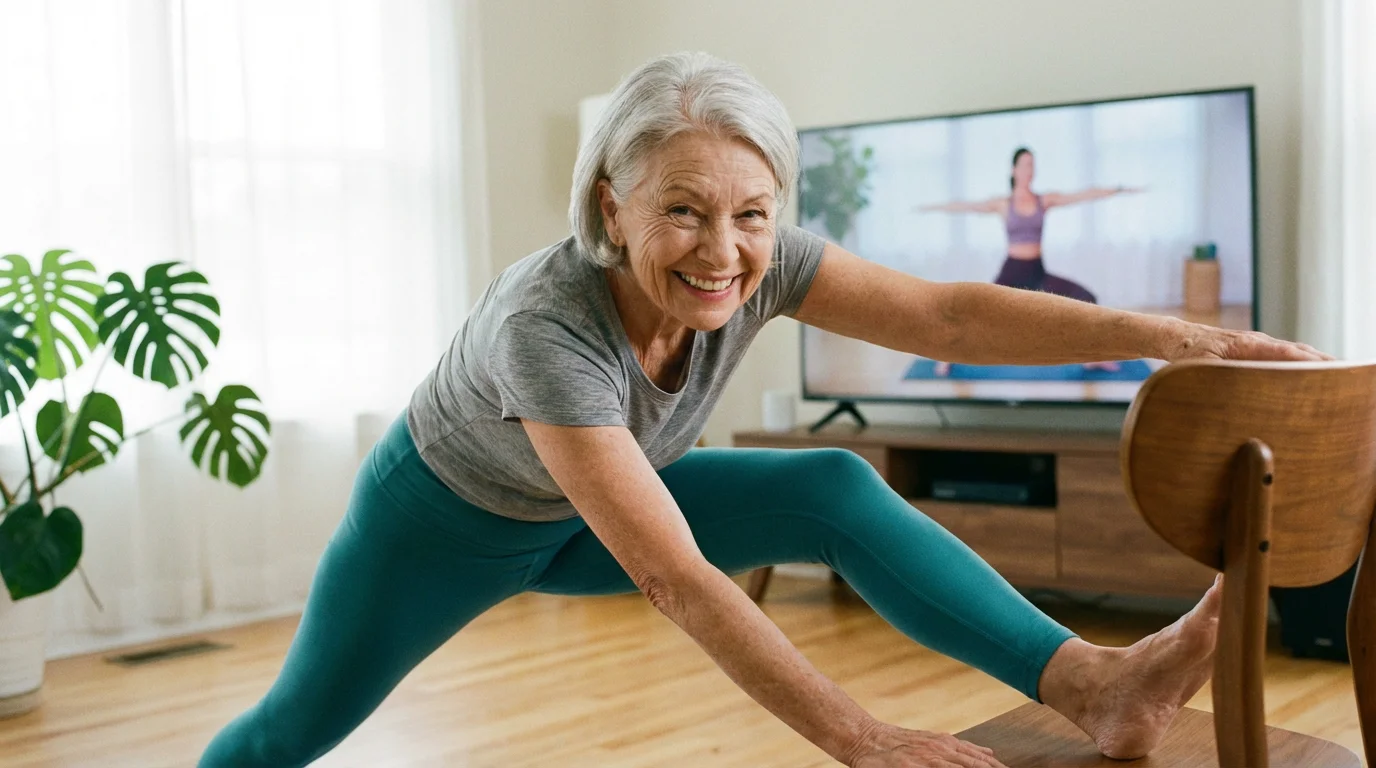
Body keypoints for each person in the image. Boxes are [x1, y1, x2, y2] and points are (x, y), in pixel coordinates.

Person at [199, 53, 1328, 768]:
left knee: (825, 481)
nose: (722, 250)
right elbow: (673, 576)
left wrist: (1177, 337)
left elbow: (945, 319)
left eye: (751, 212)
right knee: (287, 736)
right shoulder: (540, 329)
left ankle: (1097, 683)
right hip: (438, 529)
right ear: (612, 200)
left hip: (579, 517)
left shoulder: (760, 256)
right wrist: (863, 739)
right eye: (681, 210)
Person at [918, 148, 1143, 375]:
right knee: (978, 313)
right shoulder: (1004, 204)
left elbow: (1081, 195)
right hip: (1012, 272)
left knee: (1087, 298)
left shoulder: (1043, 200)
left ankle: (1092, 358)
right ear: (1014, 170)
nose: (1029, 170)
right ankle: (945, 355)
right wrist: (932, 207)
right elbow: (967, 206)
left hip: (1037, 273)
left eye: (1032, 165)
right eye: (1024, 165)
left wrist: (1119, 189)